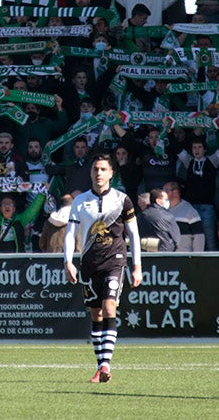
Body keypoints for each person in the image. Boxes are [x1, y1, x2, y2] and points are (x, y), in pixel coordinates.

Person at [63, 153, 142, 384]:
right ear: (91, 173)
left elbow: (134, 234)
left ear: (111, 173)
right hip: (89, 263)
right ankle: (101, 368)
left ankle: (106, 364)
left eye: (103, 169)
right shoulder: (80, 201)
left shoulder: (122, 200)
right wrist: (68, 261)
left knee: (109, 307)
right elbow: (70, 233)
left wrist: (137, 266)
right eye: (95, 169)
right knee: (96, 314)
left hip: (115, 260)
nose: (98, 173)